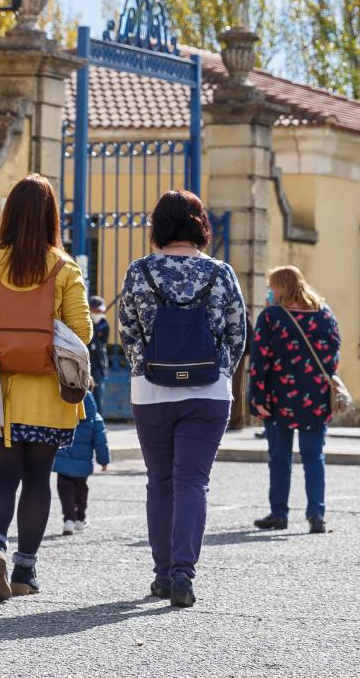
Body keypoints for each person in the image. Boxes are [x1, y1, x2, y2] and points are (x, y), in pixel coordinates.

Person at [0, 174, 91, 602]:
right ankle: (25, 571)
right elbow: (82, 331)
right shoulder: (64, 267)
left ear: (8, 212)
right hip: (48, 393)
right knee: (36, 482)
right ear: (51, 217)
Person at [119, 189, 247, 609]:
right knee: (193, 481)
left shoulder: (140, 271)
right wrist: (220, 372)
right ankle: (182, 575)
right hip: (207, 393)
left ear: (158, 226)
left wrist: (144, 366)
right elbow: (237, 331)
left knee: (160, 481)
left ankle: (160, 573)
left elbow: (127, 330)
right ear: (200, 226)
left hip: (152, 391)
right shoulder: (221, 273)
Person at [249, 265, 340, 535]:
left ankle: (279, 514)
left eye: (272, 286)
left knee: (279, 458)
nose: (269, 291)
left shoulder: (272, 317)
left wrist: (257, 396)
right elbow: (334, 353)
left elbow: (259, 360)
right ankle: (316, 515)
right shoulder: (325, 314)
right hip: (315, 397)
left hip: (279, 397)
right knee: (314, 456)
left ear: (281, 287)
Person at [54, 391, 111, 535]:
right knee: (81, 489)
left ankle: (68, 520)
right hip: (83, 465)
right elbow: (101, 442)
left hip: (63, 462)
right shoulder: (95, 418)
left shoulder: (62, 411)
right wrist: (103, 461)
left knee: (65, 491)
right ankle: (80, 518)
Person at [88, 295, 110, 404]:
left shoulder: (104, 324)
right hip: (86, 362)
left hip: (99, 364)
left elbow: (103, 343)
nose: (99, 313)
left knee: (98, 396)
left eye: (100, 311)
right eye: (96, 311)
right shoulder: (85, 323)